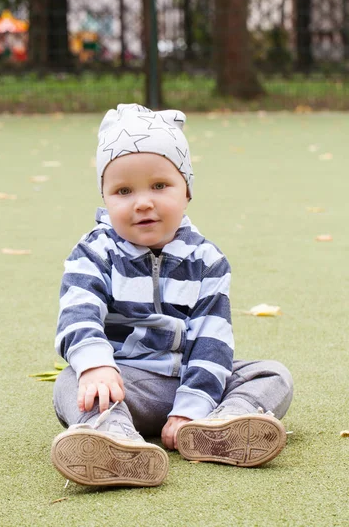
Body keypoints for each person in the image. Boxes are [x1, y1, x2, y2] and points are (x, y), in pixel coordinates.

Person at [51, 103, 293, 488]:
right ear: (105, 198)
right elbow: (78, 313)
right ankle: (114, 439)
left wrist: (191, 407)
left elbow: (213, 339)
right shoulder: (94, 252)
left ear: (187, 191)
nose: (142, 202)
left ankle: (216, 426)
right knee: (69, 381)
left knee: (271, 374)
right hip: (125, 386)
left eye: (159, 186)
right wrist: (97, 365)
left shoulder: (207, 260)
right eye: (123, 191)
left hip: (191, 380)